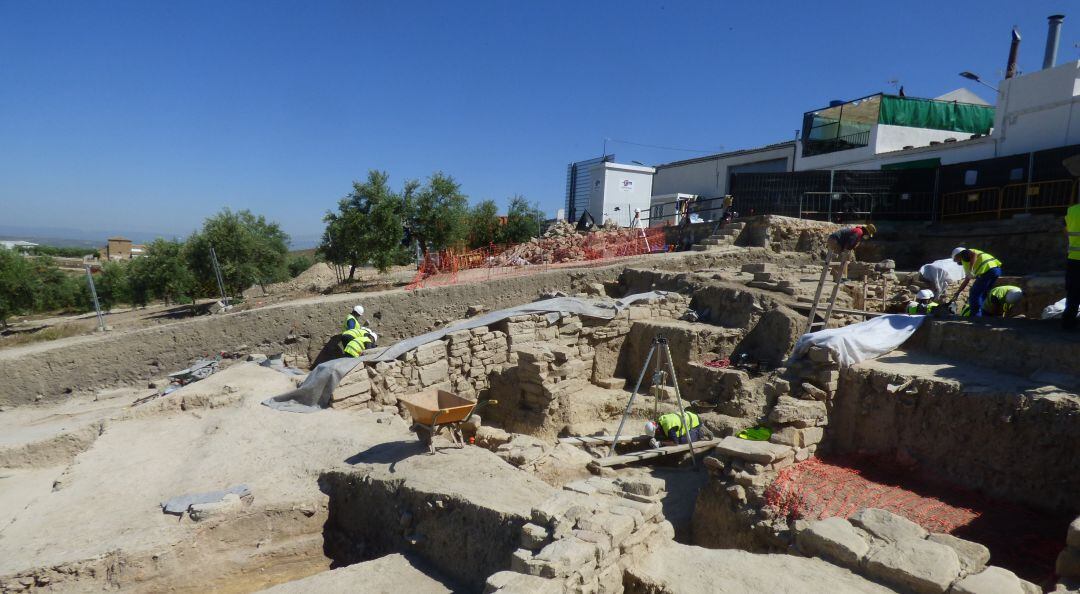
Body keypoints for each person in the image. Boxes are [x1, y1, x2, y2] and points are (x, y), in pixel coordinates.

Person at [951, 247, 1002, 318]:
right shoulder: (966, 261)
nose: (956, 262)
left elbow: (973, 254)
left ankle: (975, 316)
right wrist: (958, 292)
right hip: (995, 270)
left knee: (974, 293)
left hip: (987, 270)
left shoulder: (964, 254)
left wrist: (971, 269)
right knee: (983, 294)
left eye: (955, 259)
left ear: (957, 255)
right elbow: (967, 280)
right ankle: (984, 315)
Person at [1064, 201, 1080, 330]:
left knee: (1073, 292)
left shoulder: (1072, 210)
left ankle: (1068, 322)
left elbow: (1065, 228)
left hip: (1073, 258)